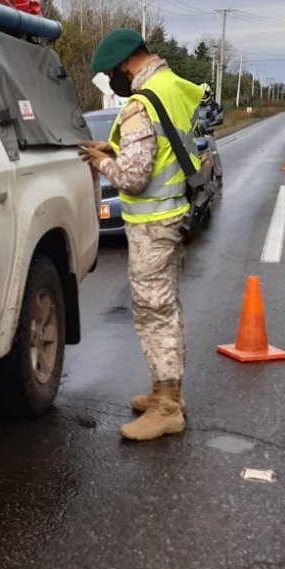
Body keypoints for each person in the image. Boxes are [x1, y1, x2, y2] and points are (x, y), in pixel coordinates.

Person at [78, 29, 204, 441]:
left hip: (152, 224)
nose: (112, 81)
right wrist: (114, 149)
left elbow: (133, 178)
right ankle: (167, 393)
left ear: (124, 63)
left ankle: (166, 407)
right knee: (166, 307)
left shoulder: (140, 103)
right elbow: (162, 150)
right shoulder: (170, 87)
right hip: (172, 215)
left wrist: (103, 163)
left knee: (153, 312)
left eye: (111, 74)